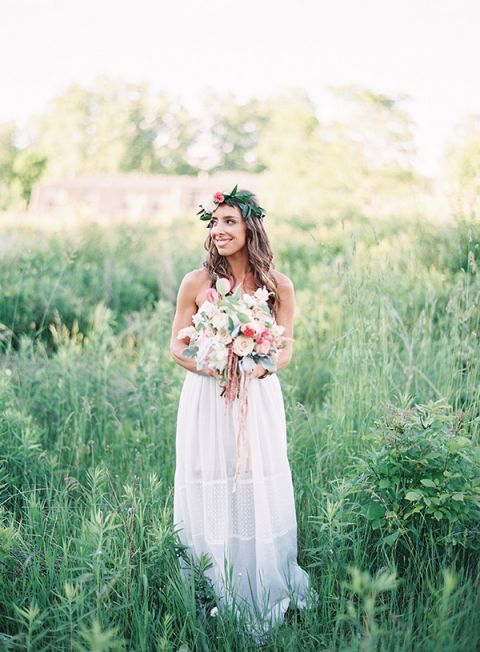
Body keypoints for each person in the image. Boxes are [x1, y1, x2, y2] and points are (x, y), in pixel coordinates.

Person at [170, 186, 317, 643]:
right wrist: (215, 363)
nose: (219, 230)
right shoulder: (195, 283)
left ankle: (258, 576)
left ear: (251, 226)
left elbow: (285, 350)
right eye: (214, 222)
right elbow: (176, 346)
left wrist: (252, 366)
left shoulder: (278, 286)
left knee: (256, 478)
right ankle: (209, 579)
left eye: (229, 221)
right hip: (206, 397)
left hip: (257, 397)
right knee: (210, 474)